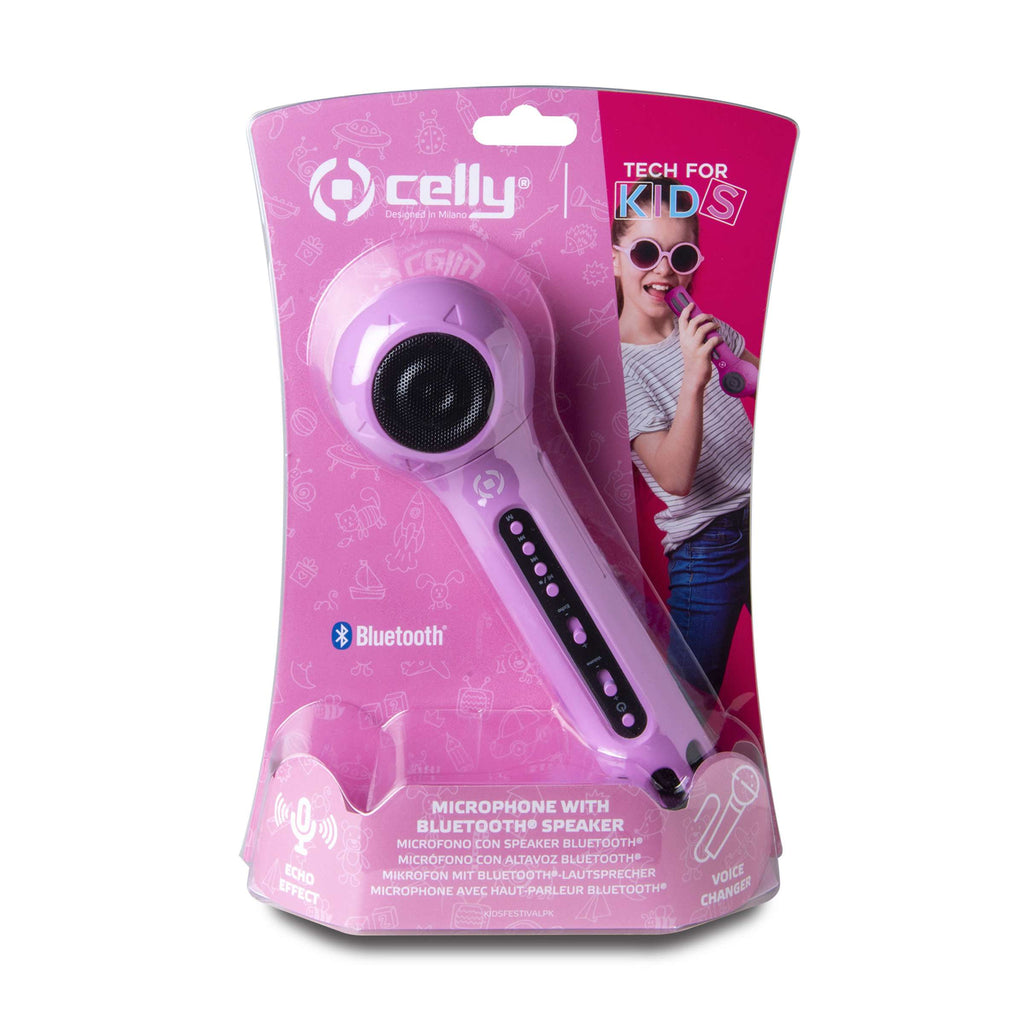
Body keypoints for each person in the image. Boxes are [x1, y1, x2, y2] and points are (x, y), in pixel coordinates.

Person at [614, 178, 759, 693]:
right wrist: (693, 379)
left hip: (768, 517)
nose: (663, 270)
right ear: (616, 260)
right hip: (708, 544)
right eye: (645, 252)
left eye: (680, 255)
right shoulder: (620, 367)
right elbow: (674, 478)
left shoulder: (703, 329)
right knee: (691, 700)